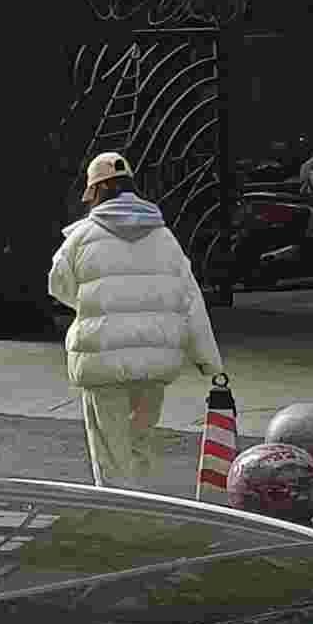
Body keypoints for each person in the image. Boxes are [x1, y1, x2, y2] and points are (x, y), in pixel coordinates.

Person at [48, 151, 228, 494]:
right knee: (140, 440)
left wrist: (92, 306)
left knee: (110, 449)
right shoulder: (165, 238)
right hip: (154, 363)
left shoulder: (81, 237)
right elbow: (191, 302)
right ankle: (142, 501)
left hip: (101, 360)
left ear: (97, 190)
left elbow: (59, 286)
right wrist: (210, 362)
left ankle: (119, 510)